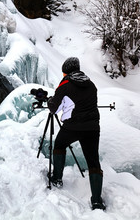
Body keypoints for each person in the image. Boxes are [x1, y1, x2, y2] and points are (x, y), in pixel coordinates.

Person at [47, 57, 106, 210]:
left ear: (66, 72)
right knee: (93, 162)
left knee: (59, 145)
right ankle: (97, 200)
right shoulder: (91, 84)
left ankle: (57, 178)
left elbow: (54, 108)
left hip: (72, 127)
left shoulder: (65, 84)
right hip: (92, 128)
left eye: (63, 73)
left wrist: (49, 101)